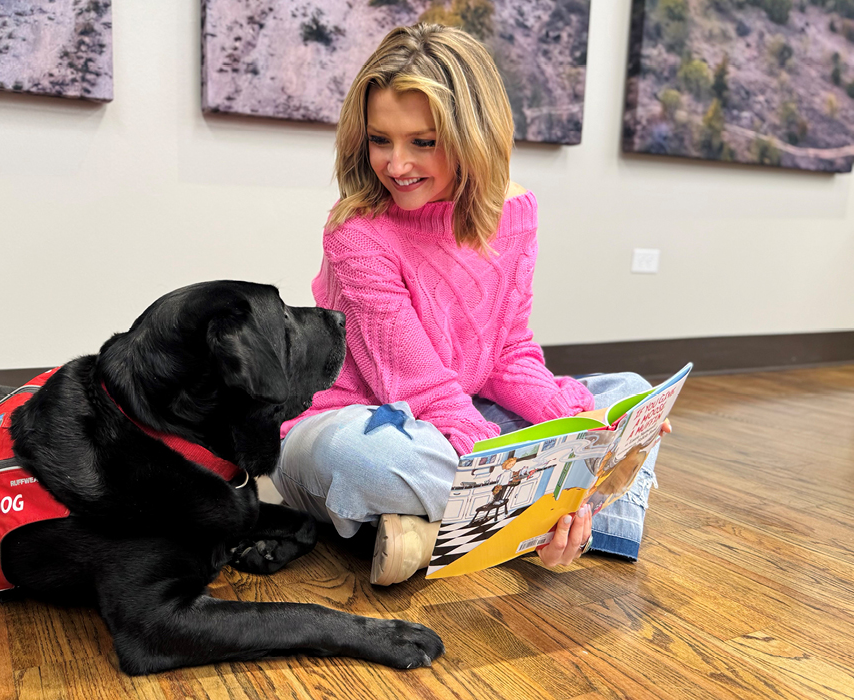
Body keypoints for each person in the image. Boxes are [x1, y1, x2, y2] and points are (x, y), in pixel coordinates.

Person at [271, 23, 669, 586]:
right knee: (376, 459)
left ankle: (437, 534)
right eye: (380, 139)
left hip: (459, 411)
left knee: (629, 394)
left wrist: (585, 424)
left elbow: (509, 352)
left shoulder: (515, 212)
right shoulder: (356, 230)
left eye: (423, 142)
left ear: (473, 135)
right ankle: (559, 523)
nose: (396, 164)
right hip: (357, 419)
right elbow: (413, 386)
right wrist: (542, 466)